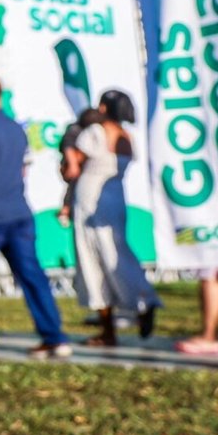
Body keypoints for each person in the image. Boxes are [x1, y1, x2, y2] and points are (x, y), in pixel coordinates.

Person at [0, 75, 71, 358]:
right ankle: (55, 337)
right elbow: (23, 171)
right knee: (34, 277)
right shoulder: (17, 128)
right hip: (20, 213)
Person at [70, 89, 161, 346]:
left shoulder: (94, 133)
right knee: (117, 253)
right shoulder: (126, 137)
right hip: (116, 199)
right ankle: (142, 297)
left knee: (93, 260)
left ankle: (110, 328)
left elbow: (73, 167)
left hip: (90, 200)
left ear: (104, 108)